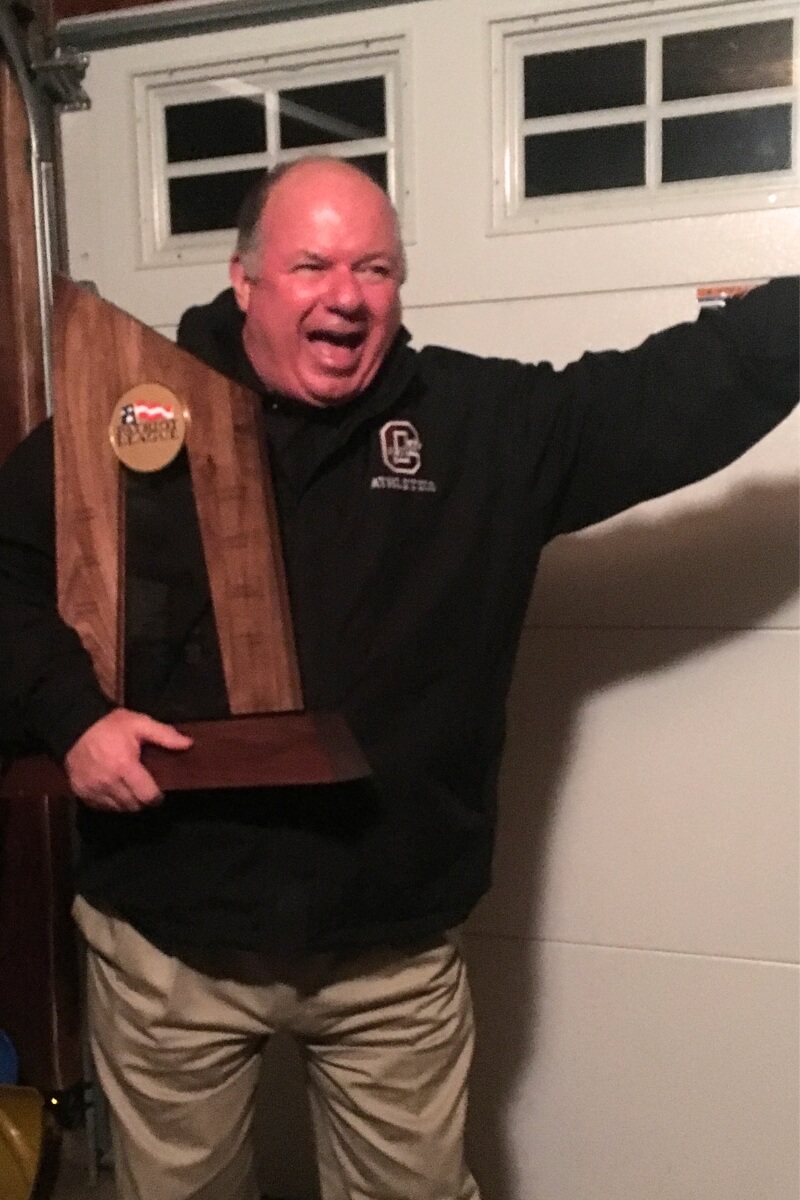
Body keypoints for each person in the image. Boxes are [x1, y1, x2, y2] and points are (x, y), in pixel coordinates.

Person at [0, 156, 796, 1200]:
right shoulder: (132, 414)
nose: (345, 294)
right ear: (245, 282)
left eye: (374, 268)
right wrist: (73, 719)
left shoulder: (476, 429)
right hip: (165, 945)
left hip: (391, 954)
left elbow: (665, 393)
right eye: (311, 264)